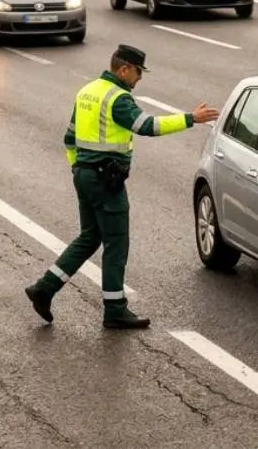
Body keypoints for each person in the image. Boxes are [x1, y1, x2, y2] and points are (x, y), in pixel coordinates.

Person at [25, 45, 220, 329]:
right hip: (105, 179)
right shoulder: (118, 99)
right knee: (116, 244)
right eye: (138, 72)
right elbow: (148, 126)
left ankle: (44, 288)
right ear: (124, 69)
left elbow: (69, 138)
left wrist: (77, 169)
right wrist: (191, 119)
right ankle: (115, 309)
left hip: (84, 173)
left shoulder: (87, 91)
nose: (140, 78)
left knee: (90, 237)